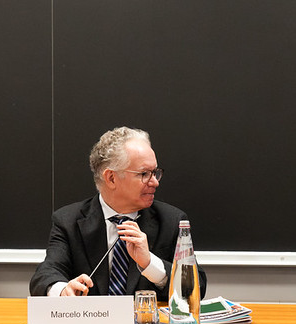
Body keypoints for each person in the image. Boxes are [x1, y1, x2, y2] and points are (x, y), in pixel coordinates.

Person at [30, 126, 206, 299]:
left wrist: (150, 263)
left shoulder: (171, 220)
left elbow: (197, 287)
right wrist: (63, 290)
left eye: (155, 173)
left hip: (146, 319)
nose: (155, 182)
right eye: (144, 174)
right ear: (111, 178)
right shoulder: (68, 221)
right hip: (92, 318)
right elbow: (45, 275)